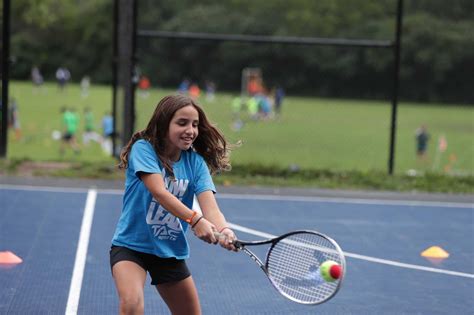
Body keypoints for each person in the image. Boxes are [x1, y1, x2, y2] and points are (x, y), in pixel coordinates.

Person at [111, 94, 237, 314]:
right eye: (182, 123)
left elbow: (211, 208)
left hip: (169, 251)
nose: (191, 130)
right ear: (164, 123)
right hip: (132, 247)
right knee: (131, 305)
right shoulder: (144, 150)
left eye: (195, 125)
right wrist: (195, 220)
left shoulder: (195, 163)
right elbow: (159, 192)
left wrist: (224, 229)